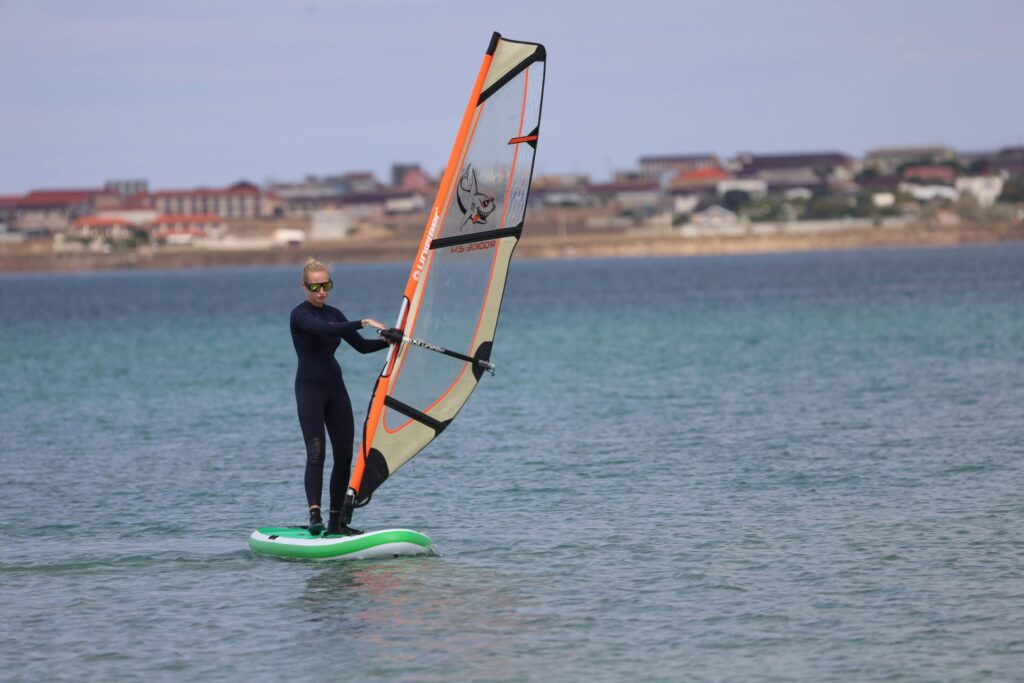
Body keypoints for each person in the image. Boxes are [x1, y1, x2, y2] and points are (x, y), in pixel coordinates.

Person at [290, 258, 392, 536]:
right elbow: (324, 330)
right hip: (309, 390)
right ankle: (315, 516)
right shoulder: (300, 315)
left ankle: (336, 521)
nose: (322, 291)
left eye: (327, 285)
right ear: (304, 285)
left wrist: (388, 340)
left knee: (345, 455)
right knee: (316, 454)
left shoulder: (334, 312)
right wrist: (363, 321)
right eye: (315, 286)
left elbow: (359, 346)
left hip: (336, 389)